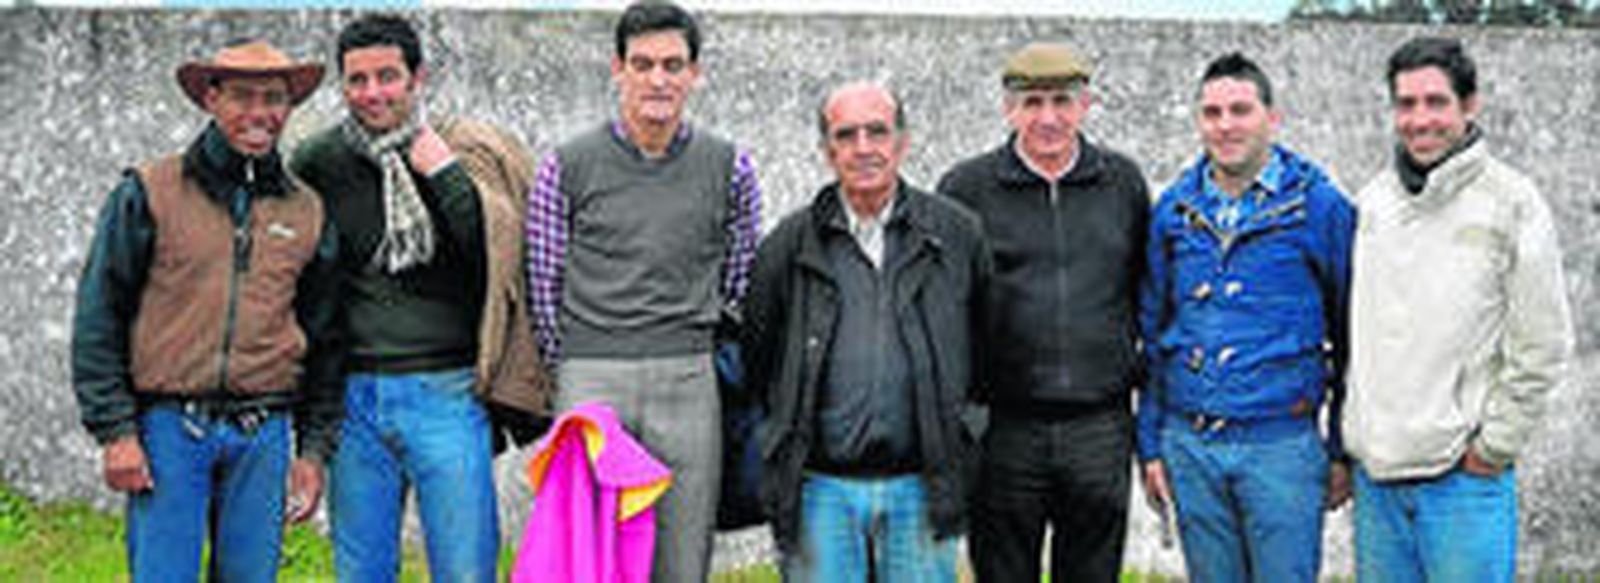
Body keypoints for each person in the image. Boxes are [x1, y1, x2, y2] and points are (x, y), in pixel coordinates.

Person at [290, 14, 551, 582]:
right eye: (358, 80)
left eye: (388, 76)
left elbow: (495, 256)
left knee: (465, 569)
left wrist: (444, 175)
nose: (373, 93)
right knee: (361, 571)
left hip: (449, 394)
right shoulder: (318, 163)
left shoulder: (461, 154)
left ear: (417, 79)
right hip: (355, 399)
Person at [70, 39, 340, 581]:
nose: (260, 113)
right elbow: (101, 312)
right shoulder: (149, 192)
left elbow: (326, 339)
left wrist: (312, 452)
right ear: (211, 99)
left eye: (274, 98)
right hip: (170, 429)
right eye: (242, 96)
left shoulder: (307, 210)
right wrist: (116, 432)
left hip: (263, 435)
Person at [524, 1, 762, 580]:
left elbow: (738, 276)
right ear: (618, 68)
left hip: (687, 377)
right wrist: (578, 363)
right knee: (587, 554)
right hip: (591, 378)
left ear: (695, 73)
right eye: (644, 63)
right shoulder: (567, 166)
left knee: (683, 555)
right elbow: (544, 281)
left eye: (673, 65)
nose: (658, 79)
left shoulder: (730, 167)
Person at [1342, 36, 1574, 582]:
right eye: (1406, 104)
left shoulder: (1512, 202)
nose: (1420, 119)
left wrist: (1493, 448)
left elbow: (1543, 343)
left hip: (1463, 482)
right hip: (1377, 482)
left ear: (1469, 106)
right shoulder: (1373, 202)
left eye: (1436, 102)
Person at [744, 81, 989, 581]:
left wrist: (967, 429)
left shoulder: (956, 234)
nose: (863, 148)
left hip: (922, 484)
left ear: (902, 141)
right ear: (826, 150)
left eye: (877, 132)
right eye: (846, 134)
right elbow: (759, 354)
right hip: (819, 490)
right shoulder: (788, 245)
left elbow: (986, 347)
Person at [1136, 52, 1355, 582]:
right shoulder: (1173, 211)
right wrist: (1151, 445)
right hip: (1190, 445)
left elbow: (1353, 336)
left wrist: (1340, 448)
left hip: (1280, 446)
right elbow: (1152, 333)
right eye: (1212, 113)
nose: (1226, 125)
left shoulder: (1319, 207)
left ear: (1271, 118)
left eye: (1240, 110)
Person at [935, 42, 1149, 582]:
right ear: (1009, 109)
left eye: (1062, 100)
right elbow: (945, 309)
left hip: (1099, 427)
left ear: (1086, 104)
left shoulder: (1123, 184)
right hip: (1005, 430)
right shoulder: (965, 190)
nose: (1048, 117)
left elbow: (1143, 292)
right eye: (1032, 103)